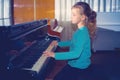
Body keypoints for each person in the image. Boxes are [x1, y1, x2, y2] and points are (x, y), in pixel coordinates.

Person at [43, 1, 97, 80]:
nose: (71, 16)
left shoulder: (82, 33)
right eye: (71, 14)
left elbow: (75, 54)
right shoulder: (80, 30)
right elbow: (72, 42)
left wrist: (54, 55)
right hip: (73, 63)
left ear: (83, 17)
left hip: (79, 67)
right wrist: (58, 44)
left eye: (74, 15)